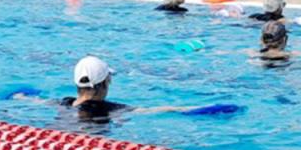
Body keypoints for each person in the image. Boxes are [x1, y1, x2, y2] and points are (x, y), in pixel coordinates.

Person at [56, 56, 198, 120]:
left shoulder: (65, 103)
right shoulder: (110, 109)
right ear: (105, 83)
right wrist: (187, 108)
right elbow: (151, 111)